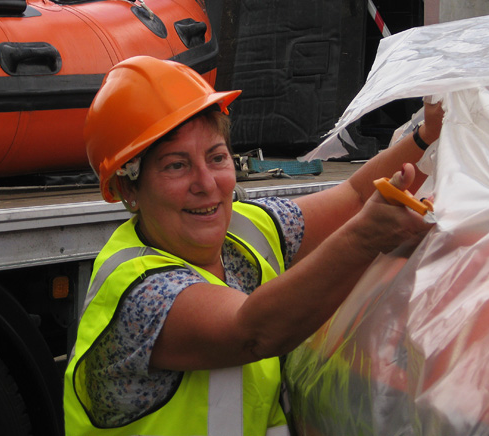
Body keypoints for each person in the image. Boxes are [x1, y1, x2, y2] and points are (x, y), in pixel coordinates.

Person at [63, 55, 443, 436]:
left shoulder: (245, 230)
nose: (206, 183)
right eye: (176, 165)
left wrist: (428, 135)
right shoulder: (140, 292)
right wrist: (364, 238)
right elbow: (254, 332)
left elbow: (357, 196)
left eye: (216, 157)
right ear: (129, 188)